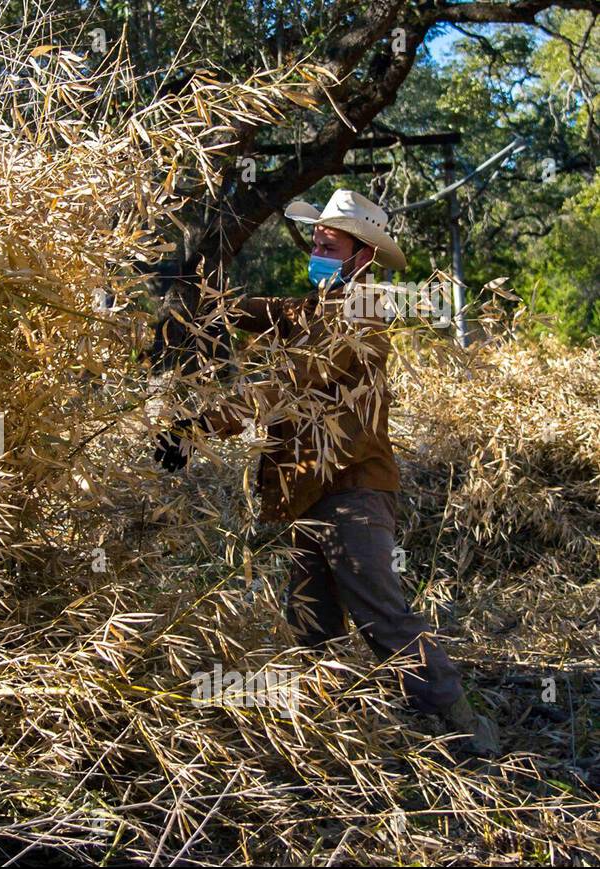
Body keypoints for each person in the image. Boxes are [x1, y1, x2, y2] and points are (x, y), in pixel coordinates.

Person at [155, 188, 499, 757]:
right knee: (311, 620)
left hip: (351, 489)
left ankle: (464, 729)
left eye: (328, 240)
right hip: (312, 491)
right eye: (314, 238)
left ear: (361, 254)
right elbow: (266, 311)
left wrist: (199, 425)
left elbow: (290, 382)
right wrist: (202, 295)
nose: (316, 245)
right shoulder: (319, 306)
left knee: (382, 615)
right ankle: (323, 735)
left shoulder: (360, 311)